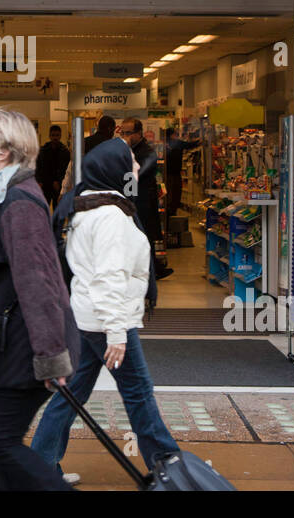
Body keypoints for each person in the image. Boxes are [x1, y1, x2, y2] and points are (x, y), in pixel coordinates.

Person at [34, 137, 179, 485]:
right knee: (139, 395)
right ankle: (169, 470)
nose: (135, 167)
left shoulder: (86, 208)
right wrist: (116, 331)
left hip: (88, 318)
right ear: (112, 169)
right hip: (106, 323)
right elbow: (109, 278)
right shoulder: (112, 216)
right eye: (129, 161)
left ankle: (39, 470)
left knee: (71, 395)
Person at [0, 107, 80, 491]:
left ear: (4, 152)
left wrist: (51, 356)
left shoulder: (18, 202)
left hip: (27, 348)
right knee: (2, 443)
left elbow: (40, 283)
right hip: (10, 344)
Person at [120, 117, 172, 279]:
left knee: (144, 236)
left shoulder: (147, 152)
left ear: (139, 133)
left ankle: (152, 269)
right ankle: (152, 268)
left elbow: (135, 175)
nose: (126, 136)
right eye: (123, 133)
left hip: (143, 202)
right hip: (133, 200)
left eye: (129, 133)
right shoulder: (128, 149)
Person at [164, 127, 201, 221]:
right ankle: (171, 213)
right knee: (174, 195)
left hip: (164, 173)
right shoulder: (176, 143)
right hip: (174, 174)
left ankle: (167, 213)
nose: (177, 136)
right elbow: (190, 145)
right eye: (176, 134)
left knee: (167, 194)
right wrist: (201, 140)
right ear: (172, 134)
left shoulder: (162, 143)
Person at [34, 124, 71, 210]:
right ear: (49, 136)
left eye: (57, 135)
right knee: (43, 209)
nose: (55, 138)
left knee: (57, 209)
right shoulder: (43, 151)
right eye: (53, 135)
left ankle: (56, 223)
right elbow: (38, 167)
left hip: (59, 186)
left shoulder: (64, 152)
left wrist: (59, 182)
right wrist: (39, 181)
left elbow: (66, 170)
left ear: (60, 136)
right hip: (45, 185)